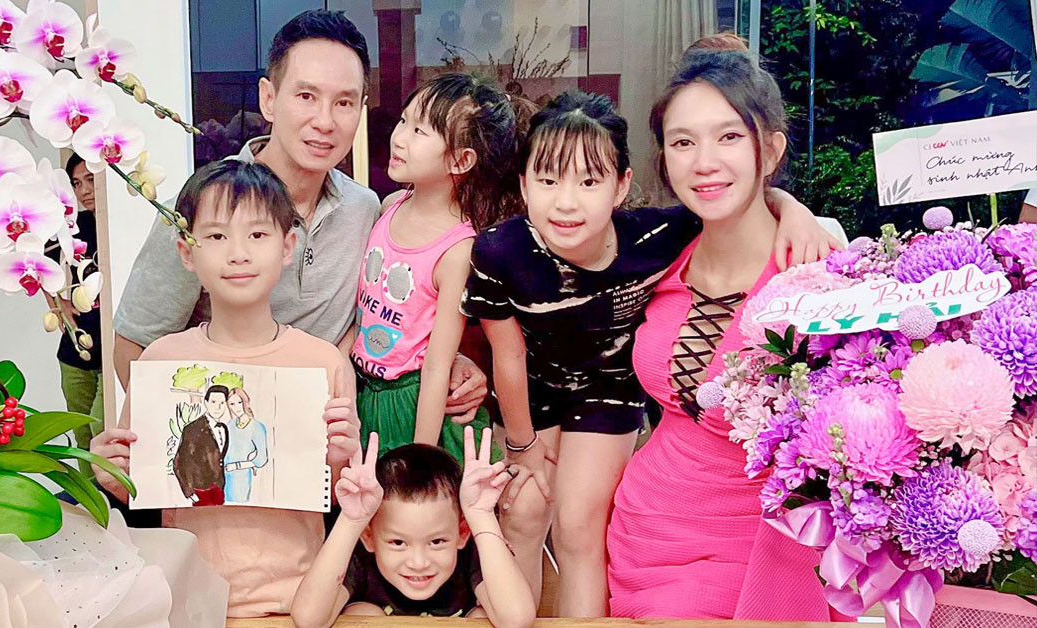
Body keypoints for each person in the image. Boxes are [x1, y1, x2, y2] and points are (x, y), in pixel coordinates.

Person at [461, 89, 839, 616]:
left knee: (575, 524)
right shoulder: (500, 251)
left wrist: (793, 208)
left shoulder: (659, 234)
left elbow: (738, 199)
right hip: (533, 388)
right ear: (523, 183)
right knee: (522, 510)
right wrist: (523, 446)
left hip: (608, 388)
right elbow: (509, 356)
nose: (566, 202)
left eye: (589, 182)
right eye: (547, 181)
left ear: (622, 185)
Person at [112, 9, 486, 417]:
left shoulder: (366, 210)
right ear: (268, 99)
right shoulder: (201, 212)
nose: (324, 121)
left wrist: (449, 360)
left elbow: (385, 317)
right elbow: (134, 347)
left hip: (334, 438)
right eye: (306, 96)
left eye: (344, 102)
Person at [606, 42, 837, 619]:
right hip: (643, 532)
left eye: (729, 136)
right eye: (683, 142)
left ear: (770, 149)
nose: (704, 162)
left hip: (762, 545)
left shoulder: (819, 273)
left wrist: (795, 209)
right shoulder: (656, 254)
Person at [91, 160, 362, 617]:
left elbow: (338, 496)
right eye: (216, 236)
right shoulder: (160, 361)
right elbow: (140, 488)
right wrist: (111, 472)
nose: (238, 253)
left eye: (257, 235)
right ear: (186, 252)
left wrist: (339, 460)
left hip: (298, 602)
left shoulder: (323, 364)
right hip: (188, 603)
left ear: (287, 246)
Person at [352, 73, 528, 465]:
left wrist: (422, 459)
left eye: (419, 131)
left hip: (413, 403)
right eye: (403, 121)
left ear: (461, 160)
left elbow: (436, 366)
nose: (399, 138)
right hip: (365, 392)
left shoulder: (458, 249)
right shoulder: (389, 206)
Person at [290, 428, 535, 628]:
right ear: (369, 537)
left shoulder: (472, 553)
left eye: (437, 542)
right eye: (398, 543)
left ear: (462, 533)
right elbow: (309, 619)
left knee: (482, 617)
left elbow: (516, 619)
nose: (419, 563)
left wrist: (481, 515)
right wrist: (351, 521)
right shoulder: (361, 558)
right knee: (362, 613)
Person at [45, 153, 104, 477]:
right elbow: (38, 261)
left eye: (90, 180)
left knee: (101, 428)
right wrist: (57, 303)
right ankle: (91, 499)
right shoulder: (74, 227)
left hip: (114, 346)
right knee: (82, 435)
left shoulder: (124, 226)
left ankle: (114, 499)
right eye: (77, 184)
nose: (84, 190)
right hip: (75, 349)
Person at [174, 384, 230, 506]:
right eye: (214, 402)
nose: (218, 407)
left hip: (219, 487)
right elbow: (180, 462)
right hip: (201, 490)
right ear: (206, 403)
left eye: (222, 403)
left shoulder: (224, 428)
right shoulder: (193, 429)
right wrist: (189, 491)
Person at [223, 386, 269, 503]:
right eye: (232, 404)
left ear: (245, 402)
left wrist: (237, 466)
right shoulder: (230, 425)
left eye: (239, 402)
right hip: (224, 475)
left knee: (238, 507)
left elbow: (262, 458)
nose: (236, 407)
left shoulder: (256, 427)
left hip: (241, 477)